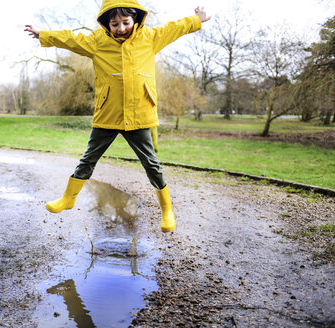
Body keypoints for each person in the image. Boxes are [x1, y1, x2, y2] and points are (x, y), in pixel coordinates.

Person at [25, 0, 210, 232]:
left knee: (151, 164)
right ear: (106, 23)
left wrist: (196, 20)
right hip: (108, 115)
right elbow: (71, 39)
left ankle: (167, 210)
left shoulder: (150, 38)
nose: (121, 28)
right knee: (88, 158)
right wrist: (44, 33)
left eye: (125, 22)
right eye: (114, 24)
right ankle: (68, 198)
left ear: (135, 20)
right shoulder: (96, 42)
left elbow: (174, 28)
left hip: (139, 115)